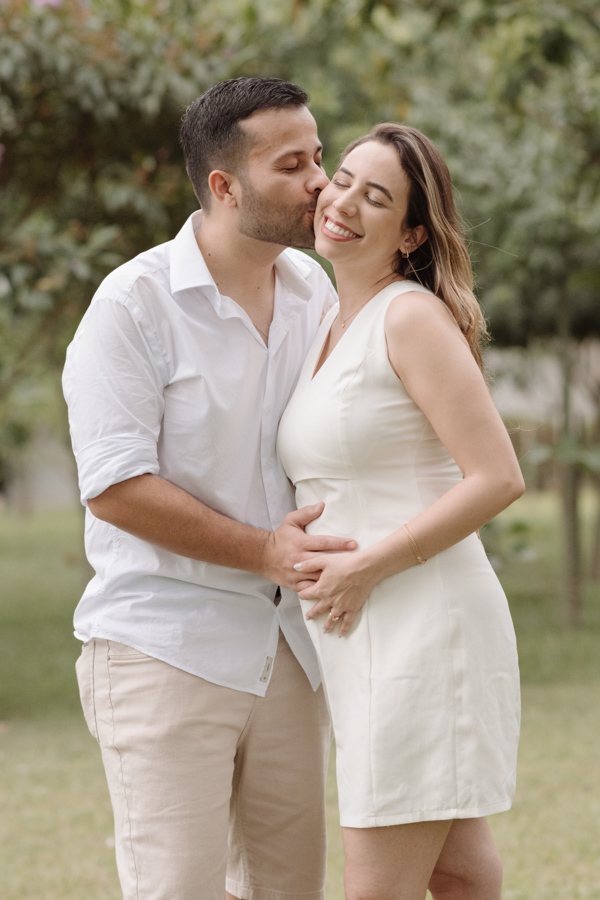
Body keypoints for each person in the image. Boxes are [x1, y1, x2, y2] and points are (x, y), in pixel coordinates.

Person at [62, 77, 356, 900]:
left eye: (319, 158)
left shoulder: (314, 293)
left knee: (289, 890)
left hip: (290, 653)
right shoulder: (132, 305)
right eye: (292, 164)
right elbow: (115, 485)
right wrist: (264, 549)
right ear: (224, 186)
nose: (320, 184)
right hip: (163, 646)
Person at [277, 123, 525, 900]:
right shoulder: (326, 318)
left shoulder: (409, 317)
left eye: (374, 196)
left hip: (422, 624)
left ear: (412, 232)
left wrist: (364, 568)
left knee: (373, 886)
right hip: (365, 634)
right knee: (457, 874)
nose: (341, 201)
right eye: (342, 178)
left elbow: (497, 476)